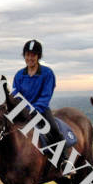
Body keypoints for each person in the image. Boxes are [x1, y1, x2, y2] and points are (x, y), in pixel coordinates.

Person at [12, 40, 73, 171]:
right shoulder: (19, 75)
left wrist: (33, 110)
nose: (30, 58)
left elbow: (46, 95)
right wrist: (21, 109)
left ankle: (64, 161)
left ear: (38, 56)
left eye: (33, 55)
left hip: (41, 111)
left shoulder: (47, 73)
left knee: (54, 131)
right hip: (22, 111)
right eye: (27, 55)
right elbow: (15, 94)